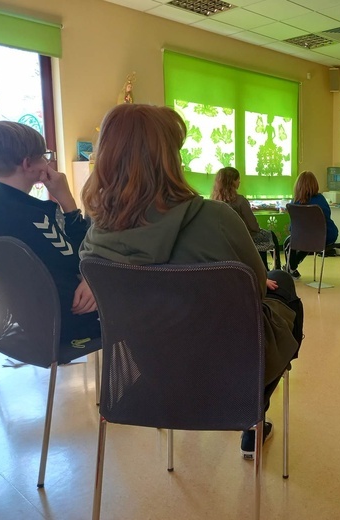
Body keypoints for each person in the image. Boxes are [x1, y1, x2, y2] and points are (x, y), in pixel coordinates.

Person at [79, 104, 302, 460]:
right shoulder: (216, 218)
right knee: (283, 287)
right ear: (170, 156)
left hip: (151, 373)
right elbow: (257, 290)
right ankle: (253, 410)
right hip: (227, 371)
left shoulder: (97, 237)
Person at [0, 121, 99, 344]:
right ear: (28, 164)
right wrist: (66, 199)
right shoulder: (38, 216)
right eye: (44, 156)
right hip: (66, 322)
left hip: (21, 322)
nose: (48, 162)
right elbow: (81, 260)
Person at [211, 166, 281, 270]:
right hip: (245, 239)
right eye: (238, 179)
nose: (239, 182)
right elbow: (253, 227)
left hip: (224, 241)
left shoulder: (213, 203)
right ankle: (272, 269)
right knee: (270, 236)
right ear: (232, 182)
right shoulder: (240, 201)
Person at [285, 171, 338, 279]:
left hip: (304, 238)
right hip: (326, 237)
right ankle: (292, 267)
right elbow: (327, 216)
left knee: (291, 242)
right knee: (310, 238)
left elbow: (293, 227)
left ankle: (291, 267)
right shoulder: (320, 200)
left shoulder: (294, 202)